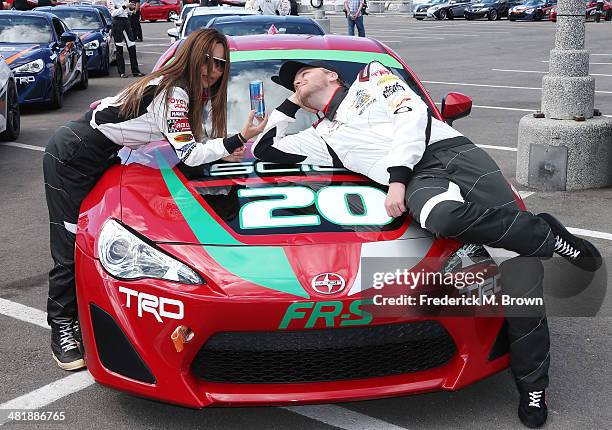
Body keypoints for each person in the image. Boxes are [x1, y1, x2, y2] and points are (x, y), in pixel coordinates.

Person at [253, 60, 603, 428]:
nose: (298, 78)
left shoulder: (371, 77)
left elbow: (411, 114)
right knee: (443, 219)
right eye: (292, 81)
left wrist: (397, 180)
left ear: (332, 74)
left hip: (450, 152)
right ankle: (546, 233)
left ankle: (533, 387)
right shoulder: (321, 137)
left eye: (304, 71)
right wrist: (291, 103)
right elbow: (264, 149)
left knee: (519, 277)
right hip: (422, 176)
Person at [43, 29, 267, 371]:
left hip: (103, 154)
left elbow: (193, 144)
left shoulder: (185, 91)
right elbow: (190, 154)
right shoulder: (174, 92)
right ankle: (61, 327)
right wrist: (239, 137)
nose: (213, 69)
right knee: (70, 242)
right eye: (207, 59)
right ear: (192, 55)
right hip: (74, 156)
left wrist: (226, 148)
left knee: (89, 239)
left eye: (221, 63)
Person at [111, 0, 145, 78]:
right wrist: (125, 6)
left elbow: (127, 12)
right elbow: (113, 13)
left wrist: (130, 8)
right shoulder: (111, 1)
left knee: (132, 47)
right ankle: (121, 72)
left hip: (126, 22)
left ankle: (135, 71)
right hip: (117, 23)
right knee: (119, 48)